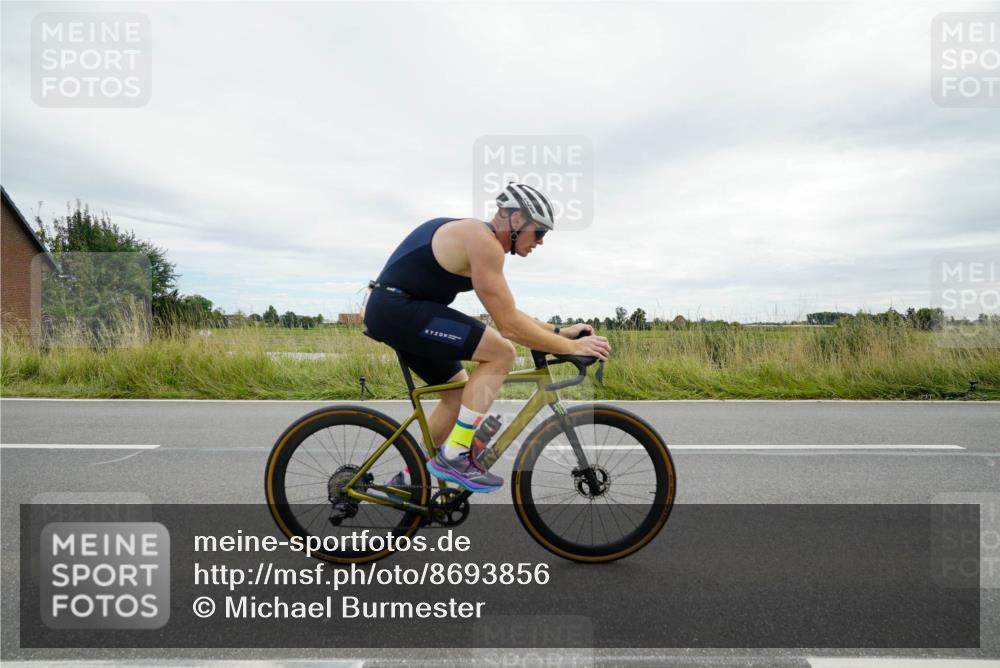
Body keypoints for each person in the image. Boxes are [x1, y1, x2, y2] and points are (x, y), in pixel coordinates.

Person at [363, 183, 611, 493]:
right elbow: (510, 327)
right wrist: (572, 347)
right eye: (540, 232)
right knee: (501, 352)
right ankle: (454, 455)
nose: (542, 242)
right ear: (517, 220)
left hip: (397, 309)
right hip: (397, 308)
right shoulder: (483, 241)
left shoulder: (482, 242)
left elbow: (509, 312)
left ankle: (407, 480)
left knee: (458, 396)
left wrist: (561, 333)